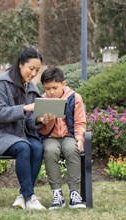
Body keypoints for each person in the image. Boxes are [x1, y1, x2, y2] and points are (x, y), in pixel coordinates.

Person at [0, 47, 52, 210]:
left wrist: (40, 119)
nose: (34, 73)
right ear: (20, 64)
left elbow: (30, 122)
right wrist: (25, 108)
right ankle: (30, 197)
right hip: (0, 136)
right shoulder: (1, 84)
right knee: (24, 148)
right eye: (31, 68)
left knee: (37, 147)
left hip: (22, 134)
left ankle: (23, 196)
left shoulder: (32, 89)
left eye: (37, 70)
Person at [39, 67, 87, 209]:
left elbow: (80, 122)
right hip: (50, 138)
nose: (51, 92)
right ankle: (57, 194)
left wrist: (79, 139)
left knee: (72, 149)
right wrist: (46, 120)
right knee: (50, 151)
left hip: (69, 136)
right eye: (47, 88)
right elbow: (41, 128)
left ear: (63, 84)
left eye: (55, 87)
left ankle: (74, 193)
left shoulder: (75, 98)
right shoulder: (42, 100)